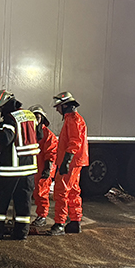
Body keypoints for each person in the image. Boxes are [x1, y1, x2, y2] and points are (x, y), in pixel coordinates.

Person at [0, 89, 39, 240]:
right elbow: (38, 135)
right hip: (29, 168)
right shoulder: (30, 115)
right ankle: (21, 233)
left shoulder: (9, 119)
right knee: (23, 201)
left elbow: (5, 139)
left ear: (4, 105)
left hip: (11, 168)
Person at [49, 90, 88, 234]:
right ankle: (75, 221)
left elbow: (74, 142)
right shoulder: (74, 119)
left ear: (64, 106)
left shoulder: (73, 120)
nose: (57, 109)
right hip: (75, 162)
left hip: (71, 163)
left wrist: (66, 161)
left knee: (61, 192)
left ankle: (59, 224)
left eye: (58, 106)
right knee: (73, 192)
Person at [28, 105, 57, 227]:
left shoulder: (48, 135)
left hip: (43, 168)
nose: (36, 119)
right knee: (34, 193)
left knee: (41, 193)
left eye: (38, 117)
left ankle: (42, 216)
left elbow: (51, 153)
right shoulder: (31, 132)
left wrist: (47, 168)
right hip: (33, 167)